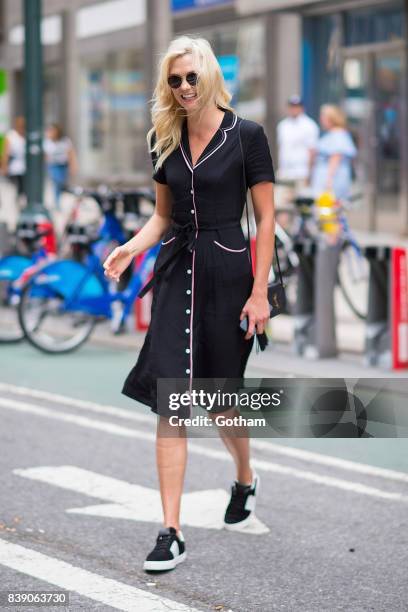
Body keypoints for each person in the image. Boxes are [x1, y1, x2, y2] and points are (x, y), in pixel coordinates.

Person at [103, 36, 276, 571]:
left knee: (224, 403)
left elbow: (267, 219)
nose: (182, 88)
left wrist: (259, 291)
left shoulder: (247, 135)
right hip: (177, 273)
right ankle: (170, 532)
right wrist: (131, 249)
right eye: (174, 80)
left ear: (210, 77)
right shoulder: (163, 139)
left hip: (228, 274)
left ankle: (245, 478)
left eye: (191, 77)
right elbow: (161, 214)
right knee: (171, 402)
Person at [275, 95, 319, 207]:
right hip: (285, 172)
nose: (294, 109)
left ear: (302, 108)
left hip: (302, 172)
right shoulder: (282, 126)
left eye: (297, 106)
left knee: (302, 207)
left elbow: (312, 151)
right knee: (280, 205)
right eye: (292, 106)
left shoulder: (309, 125)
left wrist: (310, 175)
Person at [310, 104, 357, 201]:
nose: (321, 119)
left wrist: (329, 181)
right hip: (330, 178)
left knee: (331, 210)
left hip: (333, 180)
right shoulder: (333, 134)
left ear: (331, 118)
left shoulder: (338, 135)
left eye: (323, 117)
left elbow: (336, 157)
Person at [44, 123, 78, 210]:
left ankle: (58, 199)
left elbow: (71, 153)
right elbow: (45, 155)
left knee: (61, 183)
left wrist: (73, 165)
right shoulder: (47, 142)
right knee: (57, 182)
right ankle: (57, 202)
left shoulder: (65, 141)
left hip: (63, 165)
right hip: (53, 165)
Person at [1, 116, 26, 208]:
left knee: (23, 187)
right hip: (15, 167)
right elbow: (6, 153)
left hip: (26, 167)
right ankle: (17, 202)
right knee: (17, 185)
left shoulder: (27, 135)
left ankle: (20, 200)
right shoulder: (11, 136)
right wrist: (4, 166)